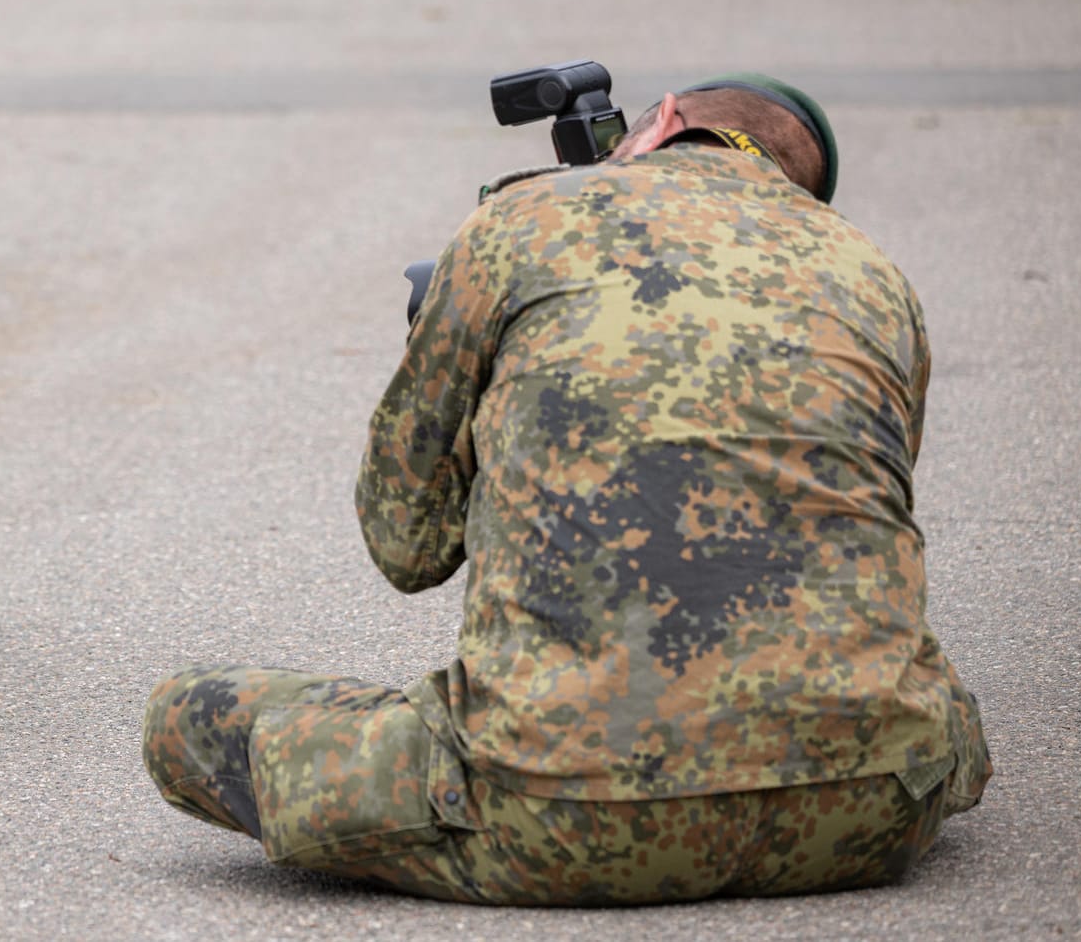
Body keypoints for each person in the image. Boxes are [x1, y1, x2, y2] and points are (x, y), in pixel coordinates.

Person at [140, 74, 990, 905]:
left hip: (557, 814)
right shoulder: (874, 275)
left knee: (188, 716)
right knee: (936, 693)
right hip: (871, 814)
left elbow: (406, 544)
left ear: (658, 125)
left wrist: (483, 384)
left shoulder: (521, 221)